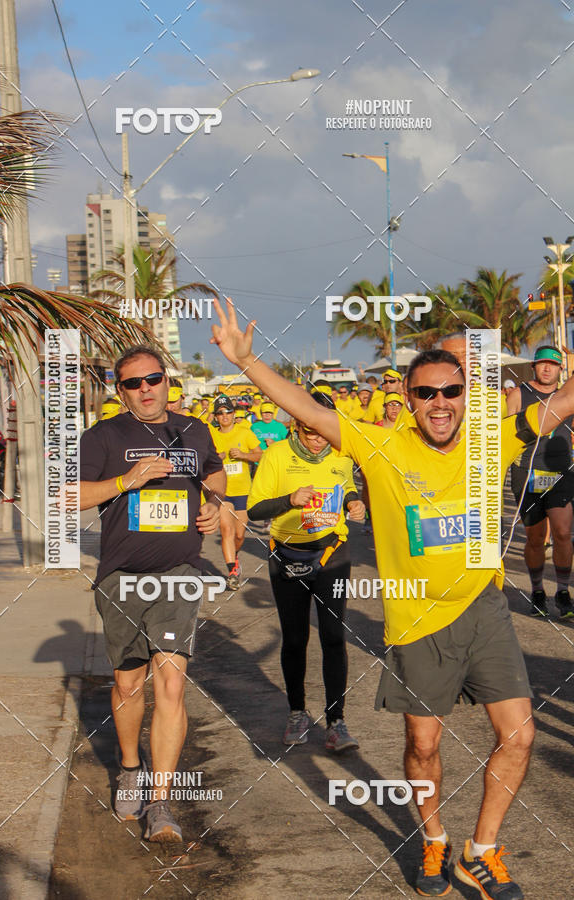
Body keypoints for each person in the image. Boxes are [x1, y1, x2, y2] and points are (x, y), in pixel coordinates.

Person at [210, 298, 574, 900]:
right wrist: (247, 362)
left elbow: (562, 402)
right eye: (426, 393)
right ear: (408, 398)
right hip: (416, 619)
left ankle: (481, 851)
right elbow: (306, 409)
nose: (440, 403)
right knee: (423, 745)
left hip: (483, 609)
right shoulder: (380, 446)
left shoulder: (492, 440)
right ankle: (434, 838)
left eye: (451, 391)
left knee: (521, 736)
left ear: (466, 394)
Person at [79, 345, 225, 842]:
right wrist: (126, 480)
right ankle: (129, 768)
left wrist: (214, 502)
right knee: (127, 685)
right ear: (120, 391)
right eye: (133, 383)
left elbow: (214, 472)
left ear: (167, 380)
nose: (145, 389)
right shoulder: (103, 436)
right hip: (121, 576)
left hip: (179, 573)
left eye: (153, 379)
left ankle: (160, 802)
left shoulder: (194, 430)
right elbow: (68, 496)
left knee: (171, 683)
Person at [247, 391, 364, 751]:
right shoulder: (277, 455)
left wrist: (353, 502)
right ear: (297, 424)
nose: (318, 439)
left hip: (332, 554)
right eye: (311, 431)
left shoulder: (341, 452)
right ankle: (297, 713)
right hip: (288, 555)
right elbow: (254, 510)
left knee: (333, 636)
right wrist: (290, 500)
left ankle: (336, 722)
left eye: (324, 431)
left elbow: (346, 484)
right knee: (296, 638)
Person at [506, 346, 574, 619]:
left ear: (560, 369)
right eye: (543, 363)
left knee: (562, 532)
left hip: (561, 470)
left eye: (553, 364)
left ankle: (563, 592)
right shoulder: (518, 394)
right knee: (535, 538)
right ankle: (537, 591)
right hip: (527, 471)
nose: (547, 368)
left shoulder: (566, 395)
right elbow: (506, 432)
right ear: (533, 366)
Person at [210, 394, 262, 589]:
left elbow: (260, 455)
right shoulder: (211, 435)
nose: (225, 416)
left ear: (234, 414)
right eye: (220, 413)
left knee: (239, 535)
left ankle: (235, 555)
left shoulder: (245, 432)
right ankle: (232, 571)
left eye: (228, 412)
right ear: (216, 417)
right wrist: (215, 458)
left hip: (243, 491)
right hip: (222, 491)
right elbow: (203, 459)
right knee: (227, 530)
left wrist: (243, 455)